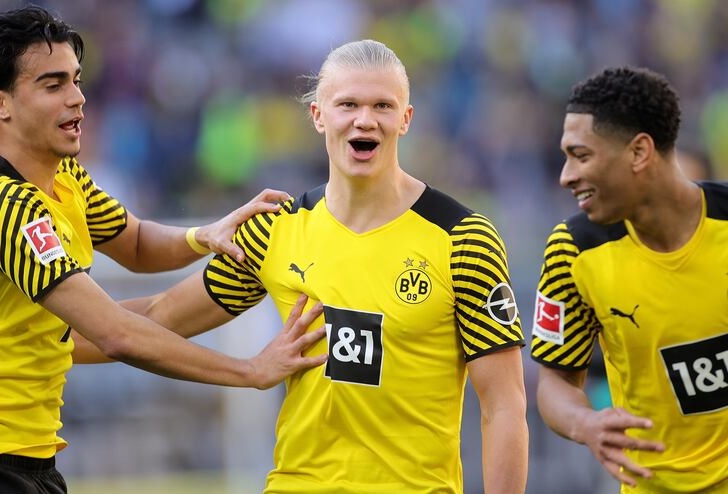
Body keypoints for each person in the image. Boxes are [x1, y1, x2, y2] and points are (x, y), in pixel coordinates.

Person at [96, 39, 528, 493]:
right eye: (348, 104)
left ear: (406, 119)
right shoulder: (274, 230)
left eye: (383, 105)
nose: (365, 119)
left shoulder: (463, 237)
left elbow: (503, 405)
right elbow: (160, 317)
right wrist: (46, 330)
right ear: (318, 115)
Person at [0, 6, 326, 494]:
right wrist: (250, 371)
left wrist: (205, 234)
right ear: (0, 103)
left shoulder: (61, 175)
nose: (78, 98)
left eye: (75, 80)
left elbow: (135, 243)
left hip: (18, 460)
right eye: (53, 86)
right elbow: (116, 334)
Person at [531, 66, 728, 493]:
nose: (566, 175)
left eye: (581, 156)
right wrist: (586, 423)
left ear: (639, 153)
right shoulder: (576, 249)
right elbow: (555, 380)